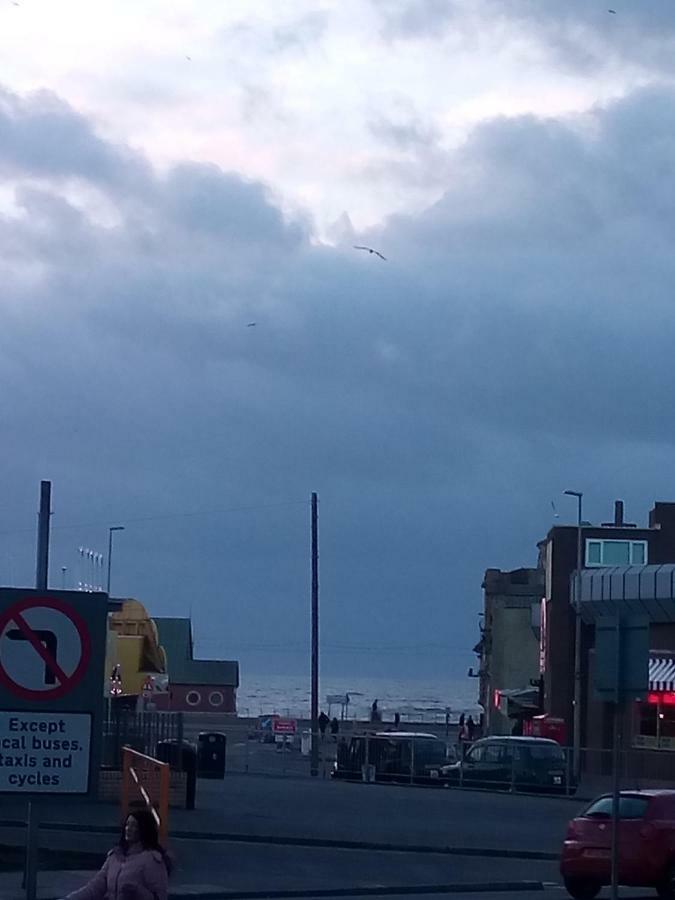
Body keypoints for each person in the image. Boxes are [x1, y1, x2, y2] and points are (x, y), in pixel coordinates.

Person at [63, 808, 170, 900]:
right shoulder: (115, 856)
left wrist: (138, 890)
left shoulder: (152, 860)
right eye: (127, 825)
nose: (129, 829)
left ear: (144, 830)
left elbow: (160, 897)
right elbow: (95, 887)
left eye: (134, 826)